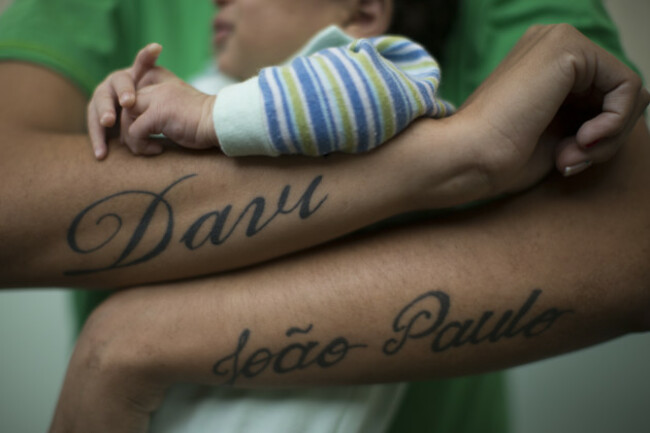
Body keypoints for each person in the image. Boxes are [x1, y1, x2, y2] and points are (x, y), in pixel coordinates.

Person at [0, 1, 648, 433]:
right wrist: (123, 100)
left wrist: (206, 116)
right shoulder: (209, 80)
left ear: (363, 11)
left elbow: (340, 103)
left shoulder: (366, 69)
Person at [88, 27, 455, 160]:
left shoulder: (383, 68)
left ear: (361, 8)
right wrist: (129, 107)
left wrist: (207, 113)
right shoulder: (214, 86)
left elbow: (360, 95)